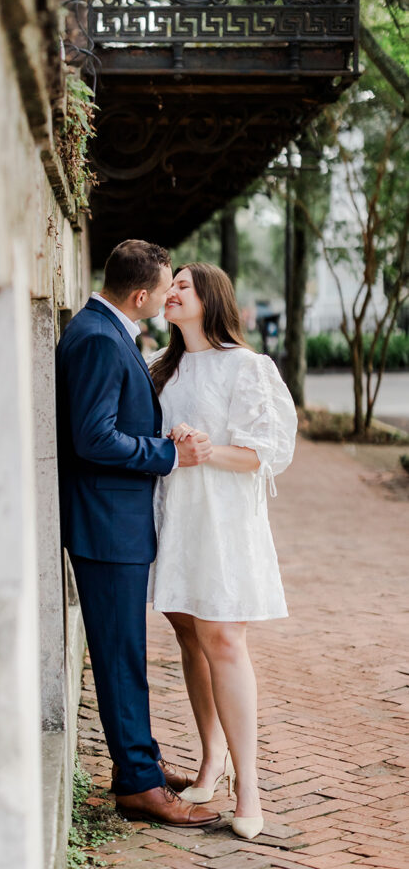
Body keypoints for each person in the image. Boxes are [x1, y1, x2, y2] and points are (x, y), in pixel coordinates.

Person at [56, 241, 220, 827]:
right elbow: (94, 437)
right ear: (141, 295)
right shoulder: (100, 337)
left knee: (126, 652)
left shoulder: (103, 326)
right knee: (121, 656)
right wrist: (166, 455)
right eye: (165, 286)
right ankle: (138, 785)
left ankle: (141, 762)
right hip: (106, 527)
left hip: (114, 524)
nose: (170, 295)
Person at [148, 263, 297, 840]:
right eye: (170, 285)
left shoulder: (248, 366)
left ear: (210, 297)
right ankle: (211, 760)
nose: (173, 292)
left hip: (223, 521)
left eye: (183, 285)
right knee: (189, 634)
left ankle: (249, 784)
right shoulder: (162, 368)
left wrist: (208, 450)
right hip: (174, 517)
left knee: (225, 641)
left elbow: (266, 452)